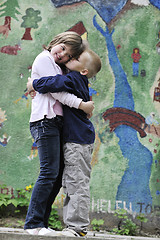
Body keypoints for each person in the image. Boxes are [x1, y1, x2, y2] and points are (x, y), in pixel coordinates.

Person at [24, 31, 94, 236]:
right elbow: (56, 91)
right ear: (56, 40)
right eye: (62, 48)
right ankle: (33, 224)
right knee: (48, 173)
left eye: (69, 55)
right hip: (45, 121)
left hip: (56, 123)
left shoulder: (64, 69)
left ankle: (41, 224)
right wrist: (82, 105)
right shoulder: (45, 58)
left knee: (55, 176)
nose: (62, 54)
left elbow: (58, 86)